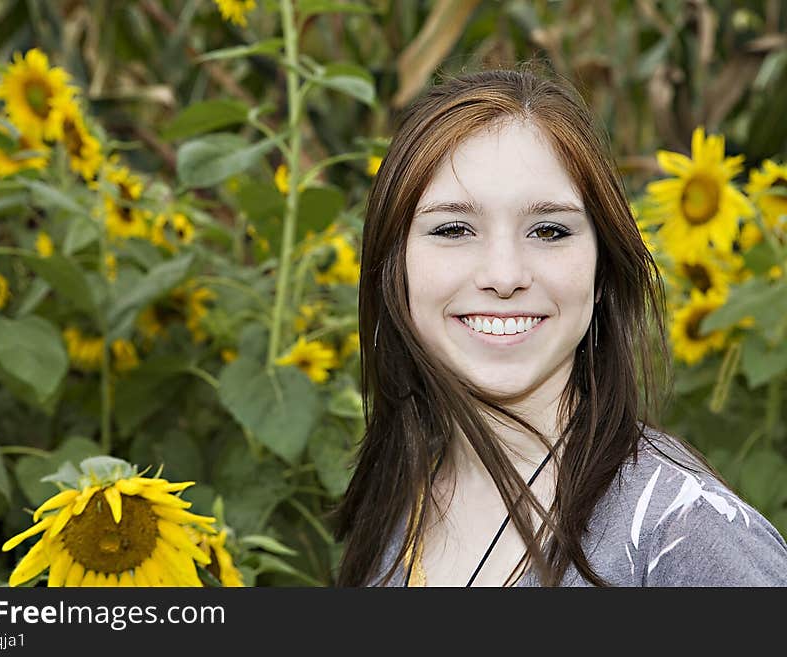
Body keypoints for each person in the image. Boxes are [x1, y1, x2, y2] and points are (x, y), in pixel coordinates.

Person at [331, 64, 787, 587]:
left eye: (548, 230)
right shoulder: (397, 506)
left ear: (600, 269)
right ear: (395, 268)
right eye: (454, 228)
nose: (504, 276)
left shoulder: (690, 540)